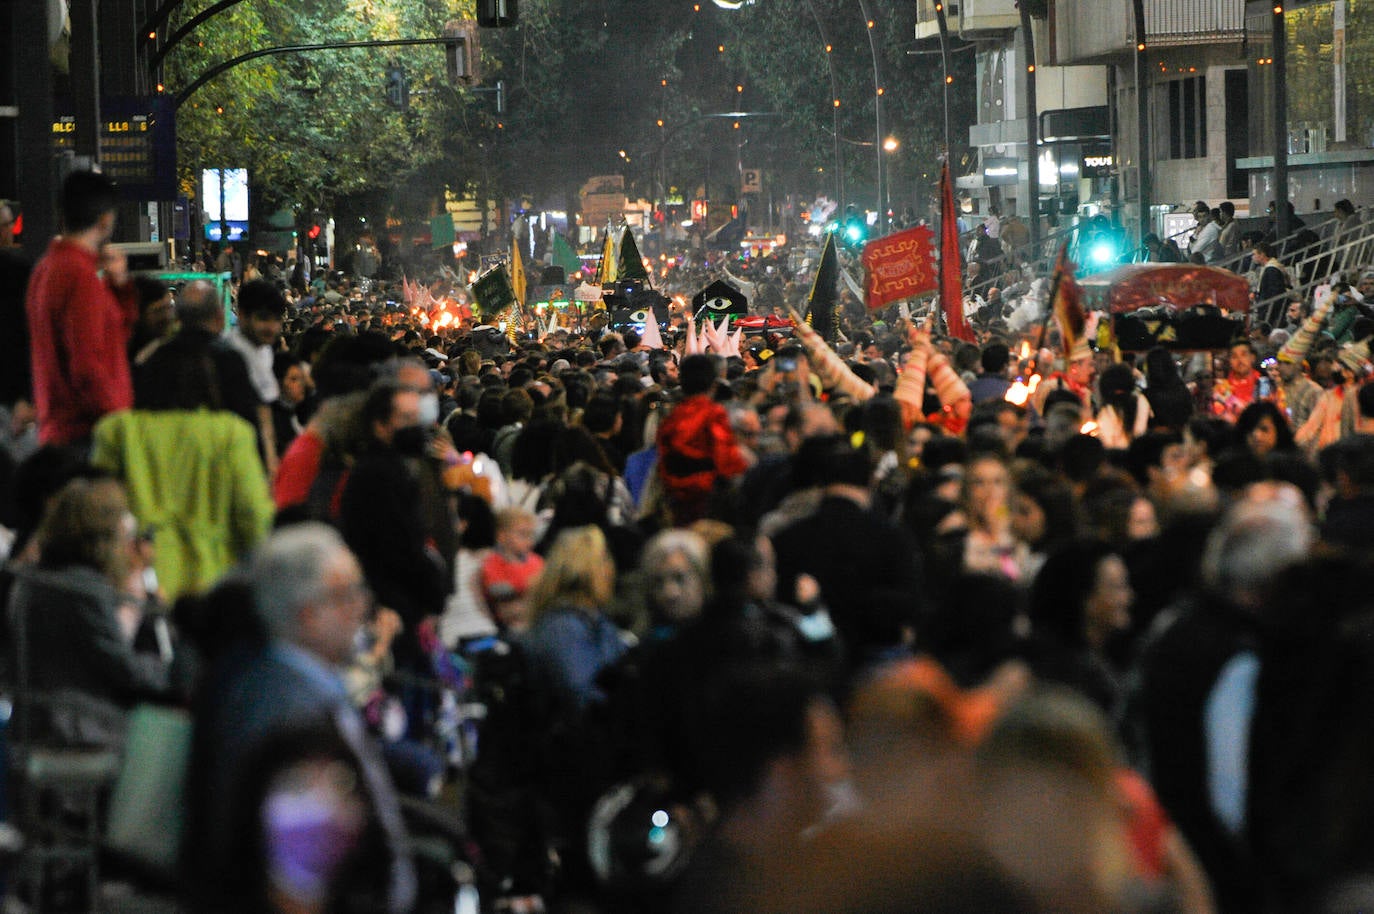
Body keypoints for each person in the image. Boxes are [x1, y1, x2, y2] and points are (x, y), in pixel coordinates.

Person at [182, 523, 417, 914]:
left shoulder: (261, 680)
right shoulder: (291, 716)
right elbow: (296, 886)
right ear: (308, 614)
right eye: (347, 594)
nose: (362, 607)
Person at [91, 325, 275, 601]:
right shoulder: (231, 433)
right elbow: (253, 515)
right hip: (214, 583)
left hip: (136, 579)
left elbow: (98, 510)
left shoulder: (117, 431)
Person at [7, 477, 174, 750]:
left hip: (32, 728)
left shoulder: (33, 580)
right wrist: (171, 671)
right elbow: (123, 668)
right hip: (77, 733)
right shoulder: (83, 589)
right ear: (104, 537)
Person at [25, 170, 138, 447]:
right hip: (87, 433)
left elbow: (108, 340)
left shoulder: (45, 268)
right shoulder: (80, 277)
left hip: (58, 428)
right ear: (105, 220)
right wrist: (119, 420)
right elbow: (87, 365)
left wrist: (119, 288)